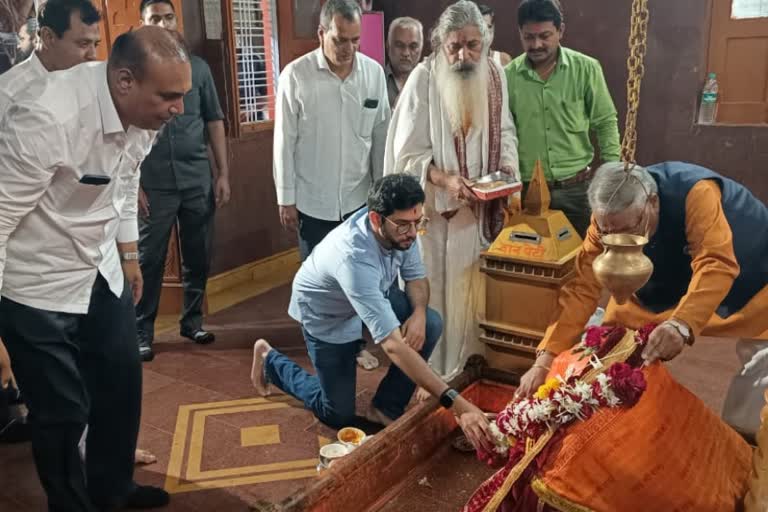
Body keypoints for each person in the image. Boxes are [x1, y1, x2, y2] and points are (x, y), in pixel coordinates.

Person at [0, 26, 191, 510]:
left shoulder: (145, 119)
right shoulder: (47, 117)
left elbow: (124, 182)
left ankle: (113, 487)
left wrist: (128, 254)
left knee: (120, 385)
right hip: (35, 285)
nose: (180, 110)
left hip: (100, 268)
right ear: (125, 81)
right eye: (170, 96)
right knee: (62, 414)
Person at [251, 174, 494, 451]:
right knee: (337, 413)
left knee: (431, 323)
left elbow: (416, 279)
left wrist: (419, 314)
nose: (413, 233)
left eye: (418, 222)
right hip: (327, 313)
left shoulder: (402, 229)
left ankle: (385, 407)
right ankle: (270, 361)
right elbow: (392, 346)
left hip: (374, 293)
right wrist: (458, 405)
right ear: (377, 220)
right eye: (404, 225)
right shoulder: (354, 257)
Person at [516, 161, 768, 398]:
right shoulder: (608, 219)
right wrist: (545, 359)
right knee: (611, 346)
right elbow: (582, 285)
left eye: (629, 230)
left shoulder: (696, 193)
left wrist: (681, 324)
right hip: (665, 286)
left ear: (653, 202)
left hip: (751, 276)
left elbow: (716, 263)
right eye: (608, 234)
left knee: (756, 388)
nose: (618, 240)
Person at [384, 0, 519, 379]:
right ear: (440, 44)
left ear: (486, 40)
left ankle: (472, 373)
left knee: (474, 303)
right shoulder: (423, 79)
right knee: (439, 303)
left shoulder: (495, 74)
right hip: (436, 220)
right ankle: (435, 382)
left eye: (473, 45)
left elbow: (505, 131)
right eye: (454, 46)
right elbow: (406, 154)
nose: (464, 55)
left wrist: (507, 172)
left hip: (479, 218)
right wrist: (447, 181)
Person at [0, 0, 102, 445]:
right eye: (82, 43)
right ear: (46, 37)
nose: (92, 55)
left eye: (97, 44)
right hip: (27, 266)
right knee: (54, 391)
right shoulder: (11, 94)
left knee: (95, 370)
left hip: (81, 252)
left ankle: (102, 453)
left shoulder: (91, 88)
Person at [135, 0, 230, 360]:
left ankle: (192, 322)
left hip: (196, 179)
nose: (163, 23)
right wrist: (134, 185)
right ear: (143, 25)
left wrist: (222, 173)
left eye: (168, 17)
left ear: (178, 22)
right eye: (154, 18)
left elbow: (214, 121)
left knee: (198, 254)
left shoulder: (200, 70)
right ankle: (142, 331)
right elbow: (121, 134)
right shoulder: (133, 73)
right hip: (153, 183)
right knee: (149, 259)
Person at [273, 0, 390, 261]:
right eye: (340, 40)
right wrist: (286, 197)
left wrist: (381, 194)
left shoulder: (374, 74)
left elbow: (380, 137)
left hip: (359, 201)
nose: (348, 48)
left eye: (355, 40)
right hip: (312, 204)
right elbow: (284, 141)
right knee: (319, 285)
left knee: (360, 278)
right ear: (321, 34)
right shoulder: (295, 76)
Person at [506, 0, 620, 237]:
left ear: (561, 31)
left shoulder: (586, 69)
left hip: (577, 190)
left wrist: (610, 176)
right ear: (520, 34)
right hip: (528, 193)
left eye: (544, 36)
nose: (536, 44)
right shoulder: (508, 77)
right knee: (532, 265)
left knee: (583, 262)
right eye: (529, 37)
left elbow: (605, 122)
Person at [385, 16, 423, 108]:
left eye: (413, 46)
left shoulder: (430, 83)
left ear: (421, 48)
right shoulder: (375, 80)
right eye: (399, 45)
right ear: (388, 46)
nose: (406, 53)